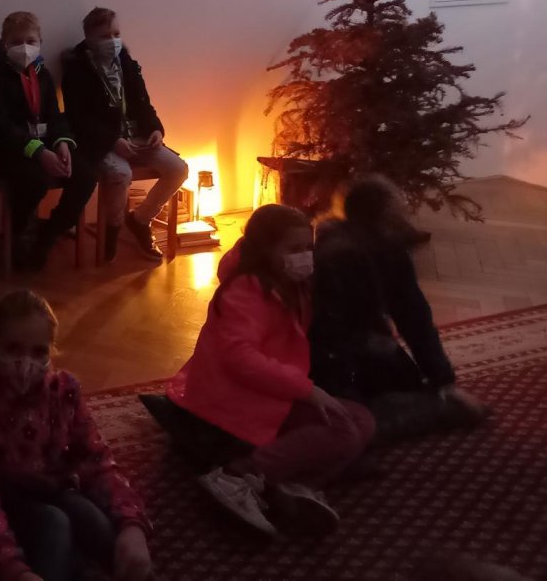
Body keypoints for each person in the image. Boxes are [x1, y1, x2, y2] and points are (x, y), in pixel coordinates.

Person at [166, 204, 375, 536]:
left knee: (361, 420)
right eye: (293, 249)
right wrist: (307, 390)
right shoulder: (245, 290)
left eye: (307, 247)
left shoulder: (292, 284)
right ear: (266, 250)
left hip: (268, 389)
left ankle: (289, 486)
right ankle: (238, 476)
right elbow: (239, 358)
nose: (304, 256)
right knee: (344, 432)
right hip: (233, 397)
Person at [0, 290, 154, 581]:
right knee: (54, 525)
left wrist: (132, 525)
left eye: (38, 352)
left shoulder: (63, 391)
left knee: (93, 521)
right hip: (4, 498)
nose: (25, 363)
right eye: (13, 348)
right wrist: (12, 569)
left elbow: (96, 460)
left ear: (51, 351)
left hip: (53, 488)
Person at [309, 175, 490, 442]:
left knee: (402, 381)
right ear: (388, 215)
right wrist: (444, 383)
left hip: (316, 360)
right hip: (342, 359)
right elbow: (414, 319)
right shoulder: (385, 251)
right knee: (432, 403)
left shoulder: (326, 240)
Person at [0, 11, 98, 271]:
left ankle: (49, 233)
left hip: (44, 145)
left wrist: (62, 143)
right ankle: (19, 234)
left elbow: (54, 115)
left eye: (30, 41)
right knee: (34, 181)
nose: (24, 47)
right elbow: (0, 125)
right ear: (4, 43)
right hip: (7, 150)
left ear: (40, 42)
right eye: (16, 42)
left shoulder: (43, 73)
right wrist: (39, 152)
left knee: (85, 175)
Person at [61, 7, 188, 263]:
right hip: (101, 142)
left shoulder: (126, 62)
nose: (112, 41)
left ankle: (140, 220)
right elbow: (78, 118)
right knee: (121, 174)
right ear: (89, 38)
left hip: (137, 136)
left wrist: (155, 129)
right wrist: (112, 141)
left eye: (116, 34)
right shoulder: (76, 68)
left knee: (178, 169)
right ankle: (113, 228)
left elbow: (143, 103)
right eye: (104, 36)